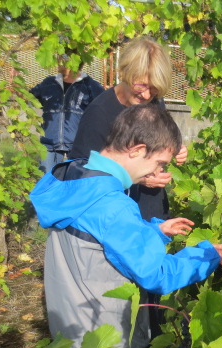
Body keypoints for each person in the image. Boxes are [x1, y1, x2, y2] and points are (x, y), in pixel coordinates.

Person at [30, 103, 222, 348]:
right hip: (105, 340)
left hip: (72, 326)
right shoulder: (114, 207)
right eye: (159, 163)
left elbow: (98, 239)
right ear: (137, 150)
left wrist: (154, 231)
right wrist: (206, 256)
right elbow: (156, 273)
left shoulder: (74, 176)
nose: (158, 172)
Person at [69, 36, 185, 222]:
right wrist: (139, 178)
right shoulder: (99, 113)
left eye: (154, 89)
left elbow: (159, 142)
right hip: (114, 218)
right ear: (127, 72)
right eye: (141, 86)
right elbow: (80, 172)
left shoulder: (153, 102)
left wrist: (174, 148)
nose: (147, 95)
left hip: (150, 211)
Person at [30, 54, 105, 172]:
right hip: (49, 144)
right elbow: (29, 98)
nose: (59, 65)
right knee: (48, 182)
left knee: (77, 181)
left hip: (78, 145)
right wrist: (16, 85)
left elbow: (102, 110)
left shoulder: (90, 85)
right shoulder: (49, 83)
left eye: (62, 62)